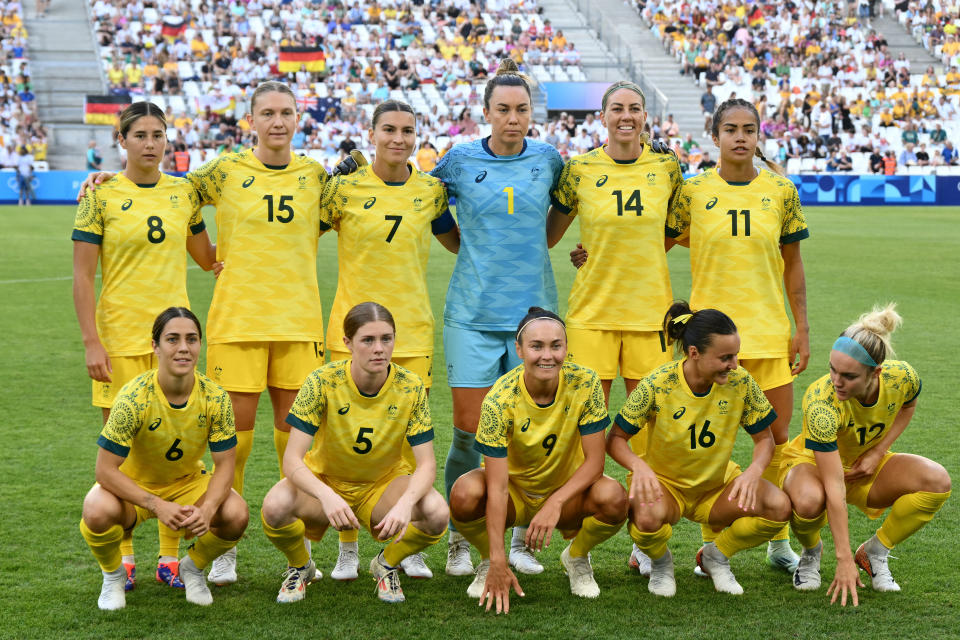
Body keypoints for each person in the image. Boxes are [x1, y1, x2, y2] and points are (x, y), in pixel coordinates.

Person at [73, 101, 216, 592]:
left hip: (174, 341)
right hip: (118, 339)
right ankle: (126, 555)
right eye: (141, 136)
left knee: (179, 446)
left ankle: (170, 556)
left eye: (159, 135)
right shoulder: (101, 195)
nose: (151, 144)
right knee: (124, 454)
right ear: (123, 140)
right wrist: (92, 341)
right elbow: (82, 276)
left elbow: (206, 258)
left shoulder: (183, 192)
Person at [431, 59, 565, 578]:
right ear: (485, 113)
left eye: (522, 109)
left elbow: (561, 216)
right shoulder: (459, 161)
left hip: (533, 319)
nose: (514, 118)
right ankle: (461, 538)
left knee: (522, 432)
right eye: (504, 110)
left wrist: (550, 246)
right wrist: (467, 249)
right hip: (471, 313)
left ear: (532, 113)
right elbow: (435, 210)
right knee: (469, 430)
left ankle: (516, 539)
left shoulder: (549, 159)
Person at [666, 98, 810, 574]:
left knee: (778, 436)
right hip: (709, 340)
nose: (741, 137)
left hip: (768, 333)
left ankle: (777, 538)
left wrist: (801, 327)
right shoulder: (692, 192)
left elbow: (793, 263)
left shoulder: (782, 191)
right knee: (703, 439)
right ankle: (684, 540)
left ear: (758, 134)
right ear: (714, 135)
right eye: (731, 129)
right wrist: (593, 255)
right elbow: (653, 242)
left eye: (749, 128)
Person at [319, 99, 459, 581]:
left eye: (407, 131)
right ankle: (347, 546)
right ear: (372, 134)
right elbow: (295, 229)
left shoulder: (431, 191)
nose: (399, 139)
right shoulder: (342, 190)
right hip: (350, 332)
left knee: (403, 441)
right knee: (340, 444)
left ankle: (406, 544)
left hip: (411, 332)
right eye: (389, 130)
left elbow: (459, 241)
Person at [547, 80, 682, 575]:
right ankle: (566, 533)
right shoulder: (578, 168)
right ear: (602, 116)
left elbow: (670, 232)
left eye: (635, 108)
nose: (626, 115)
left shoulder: (667, 166)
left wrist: (622, 256)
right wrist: (587, 255)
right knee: (582, 427)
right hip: (591, 315)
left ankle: (645, 539)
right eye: (617, 108)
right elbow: (551, 233)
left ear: (646, 116)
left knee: (650, 432)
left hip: (651, 316)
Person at [260, 303, 448, 604]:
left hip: (382, 485)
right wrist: (326, 495)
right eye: (368, 340)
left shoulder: (410, 386)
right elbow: (292, 459)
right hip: (327, 482)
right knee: (275, 505)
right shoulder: (321, 382)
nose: (379, 349)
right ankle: (300, 567)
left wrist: (405, 505)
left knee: (436, 513)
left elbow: (426, 464)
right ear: (347, 343)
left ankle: (385, 564)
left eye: (387, 339)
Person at [607, 303, 791, 597]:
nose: (734, 364)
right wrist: (638, 466)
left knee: (778, 507)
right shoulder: (658, 383)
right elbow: (615, 438)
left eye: (735, 355)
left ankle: (715, 556)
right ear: (694, 353)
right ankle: (661, 562)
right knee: (645, 519)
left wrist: (754, 472)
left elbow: (765, 439)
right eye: (725, 358)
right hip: (666, 487)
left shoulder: (741, 382)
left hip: (716, 488)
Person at [449, 307, 627, 612]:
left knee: (614, 497)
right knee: (464, 494)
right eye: (536, 346)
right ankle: (486, 562)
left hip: (567, 495)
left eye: (556, 346)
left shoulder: (586, 383)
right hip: (514, 496)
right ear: (518, 350)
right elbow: (498, 486)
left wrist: (555, 503)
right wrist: (497, 559)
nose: (548, 355)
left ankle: (577, 557)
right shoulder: (499, 399)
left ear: (566, 348)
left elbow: (596, 463)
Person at [78, 307, 248, 610]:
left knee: (236, 513)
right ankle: (113, 575)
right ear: (155, 347)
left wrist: (208, 509)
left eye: (192, 339)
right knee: (96, 508)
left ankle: (192, 567)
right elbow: (105, 471)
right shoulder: (132, 398)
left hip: (187, 484)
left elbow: (224, 465)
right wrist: (155, 504)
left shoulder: (216, 397)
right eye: (172, 339)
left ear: (200, 345)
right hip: (132, 488)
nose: (183, 348)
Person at [782, 304, 950, 605]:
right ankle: (811, 552)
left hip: (865, 465)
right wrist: (842, 558)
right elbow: (834, 486)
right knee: (809, 501)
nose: (836, 381)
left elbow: (908, 405)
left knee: (936, 481)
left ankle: (875, 552)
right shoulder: (822, 404)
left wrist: (878, 452)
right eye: (832, 369)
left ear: (876, 372)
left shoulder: (902, 378)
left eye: (848, 375)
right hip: (814, 466)